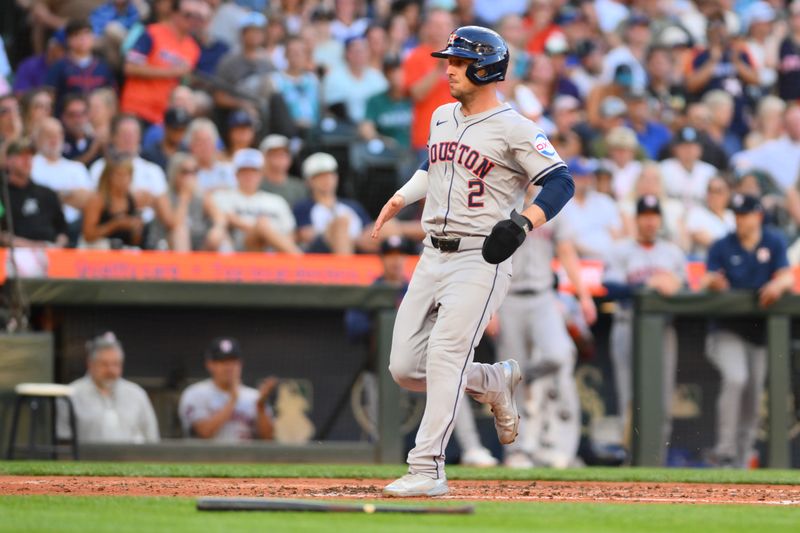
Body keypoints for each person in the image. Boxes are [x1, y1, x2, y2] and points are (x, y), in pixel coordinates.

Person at [371, 26, 574, 497]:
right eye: (451, 61)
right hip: (431, 252)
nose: (449, 69)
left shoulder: (516, 127)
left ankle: (427, 469)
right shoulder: (442, 115)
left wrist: (525, 222)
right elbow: (434, 166)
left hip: (480, 256)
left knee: (445, 356)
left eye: (459, 62)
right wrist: (401, 198)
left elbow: (561, 181)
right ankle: (493, 379)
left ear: (486, 69)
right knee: (404, 367)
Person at [496, 186, 597, 469]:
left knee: (559, 354)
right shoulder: (504, 201)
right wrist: (489, 306)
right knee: (510, 375)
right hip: (508, 297)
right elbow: (489, 257)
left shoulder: (550, 202)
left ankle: (559, 445)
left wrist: (584, 295)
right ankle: (516, 451)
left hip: (543, 295)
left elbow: (566, 252)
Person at [701, 194, 794, 468]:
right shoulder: (723, 244)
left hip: (760, 334)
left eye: (745, 214)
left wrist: (779, 285)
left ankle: (741, 461)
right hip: (727, 329)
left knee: (753, 398)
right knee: (736, 377)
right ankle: (725, 450)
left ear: (758, 216)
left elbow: (787, 274)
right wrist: (713, 283)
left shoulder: (773, 241)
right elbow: (705, 277)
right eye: (737, 214)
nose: (740, 219)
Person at [603, 195, 687, 462]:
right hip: (629, 326)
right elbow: (610, 287)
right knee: (630, 398)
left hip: (663, 329)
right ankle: (631, 460)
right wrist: (649, 285)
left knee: (662, 401)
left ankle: (657, 462)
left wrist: (675, 288)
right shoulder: (620, 249)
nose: (650, 221)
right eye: (645, 215)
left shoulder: (673, 252)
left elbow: (688, 290)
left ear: (660, 219)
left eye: (654, 215)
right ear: (637, 219)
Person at [57, 331, 160, 443]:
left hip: (131, 459)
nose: (111, 370)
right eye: (104, 364)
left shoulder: (137, 394)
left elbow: (152, 438)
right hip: (88, 460)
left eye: (115, 364)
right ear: (90, 364)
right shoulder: (71, 395)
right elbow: (63, 443)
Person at [178, 337, 278, 441]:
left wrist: (260, 407)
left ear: (240, 364)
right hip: (206, 457)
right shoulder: (195, 393)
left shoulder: (255, 397)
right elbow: (204, 432)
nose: (228, 367)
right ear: (209, 364)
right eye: (222, 361)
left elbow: (268, 438)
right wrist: (233, 399)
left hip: (245, 456)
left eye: (233, 361)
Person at [120, 0, 202, 126]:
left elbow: (183, 82)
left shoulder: (193, 48)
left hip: (164, 117)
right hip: (136, 109)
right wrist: (171, 71)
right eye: (187, 15)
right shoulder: (152, 33)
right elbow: (130, 67)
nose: (192, 20)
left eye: (196, 17)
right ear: (174, 13)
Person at [211, 148, 301, 254]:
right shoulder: (223, 197)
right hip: (241, 251)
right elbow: (225, 220)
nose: (249, 176)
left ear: (261, 174)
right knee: (262, 223)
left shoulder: (277, 201)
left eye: (254, 171)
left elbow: (290, 232)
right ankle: (302, 261)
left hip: (276, 253)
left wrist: (270, 236)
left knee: (263, 224)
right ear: (236, 174)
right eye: (244, 171)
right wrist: (261, 229)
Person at [293, 152, 372, 255]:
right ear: (309, 181)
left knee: (389, 225)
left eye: (330, 175)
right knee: (341, 224)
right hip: (322, 252)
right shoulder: (303, 206)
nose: (326, 180)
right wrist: (349, 237)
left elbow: (369, 231)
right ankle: (346, 269)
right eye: (320, 176)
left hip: (362, 247)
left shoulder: (352, 205)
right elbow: (305, 235)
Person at [31, 117, 93, 244]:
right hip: (40, 227)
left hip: (74, 228)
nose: (54, 139)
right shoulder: (30, 165)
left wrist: (53, 195)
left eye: (58, 134)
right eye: (48, 134)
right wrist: (68, 195)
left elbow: (88, 200)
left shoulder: (77, 168)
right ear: (37, 139)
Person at [0, 138, 67, 248]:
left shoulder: (47, 193)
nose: (27, 160)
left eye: (30, 156)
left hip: (51, 254)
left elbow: (62, 230)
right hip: (15, 253)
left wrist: (57, 246)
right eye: (21, 156)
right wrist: (31, 246)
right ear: (8, 160)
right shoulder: (3, 194)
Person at [558, 157, 624, 260]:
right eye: (582, 176)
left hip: (610, 259)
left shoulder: (604, 200)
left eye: (589, 176)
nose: (587, 180)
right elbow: (566, 241)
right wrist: (596, 255)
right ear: (570, 177)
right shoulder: (561, 204)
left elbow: (616, 234)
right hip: (578, 259)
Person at [44, 19, 116, 113]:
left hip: (97, 119)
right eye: (77, 35)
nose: (83, 39)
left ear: (93, 37)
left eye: (87, 34)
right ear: (68, 40)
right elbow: (49, 96)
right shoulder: (59, 66)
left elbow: (112, 98)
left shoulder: (104, 67)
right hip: (67, 119)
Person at [82, 157, 145, 248]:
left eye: (127, 175)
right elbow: (88, 236)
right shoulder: (97, 200)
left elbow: (135, 242)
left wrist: (136, 229)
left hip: (123, 252)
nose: (123, 180)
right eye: (119, 175)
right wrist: (115, 225)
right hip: (97, 251)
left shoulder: (131, 199)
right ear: (109, 177)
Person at [323, 36, 388, 124]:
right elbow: (333, 108)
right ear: (347, 54)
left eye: (363, 51)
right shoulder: (334, 77)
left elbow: (385, 104)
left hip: (375, 125)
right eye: (356, 52)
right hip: (345, 127)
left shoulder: (377, 76)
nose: (360, 55)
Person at [258, 134, 307, 207]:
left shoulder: (300, 187)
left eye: (283, 154)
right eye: (274, 154)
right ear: (264, 158)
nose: (279, 159)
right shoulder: (256, 185)